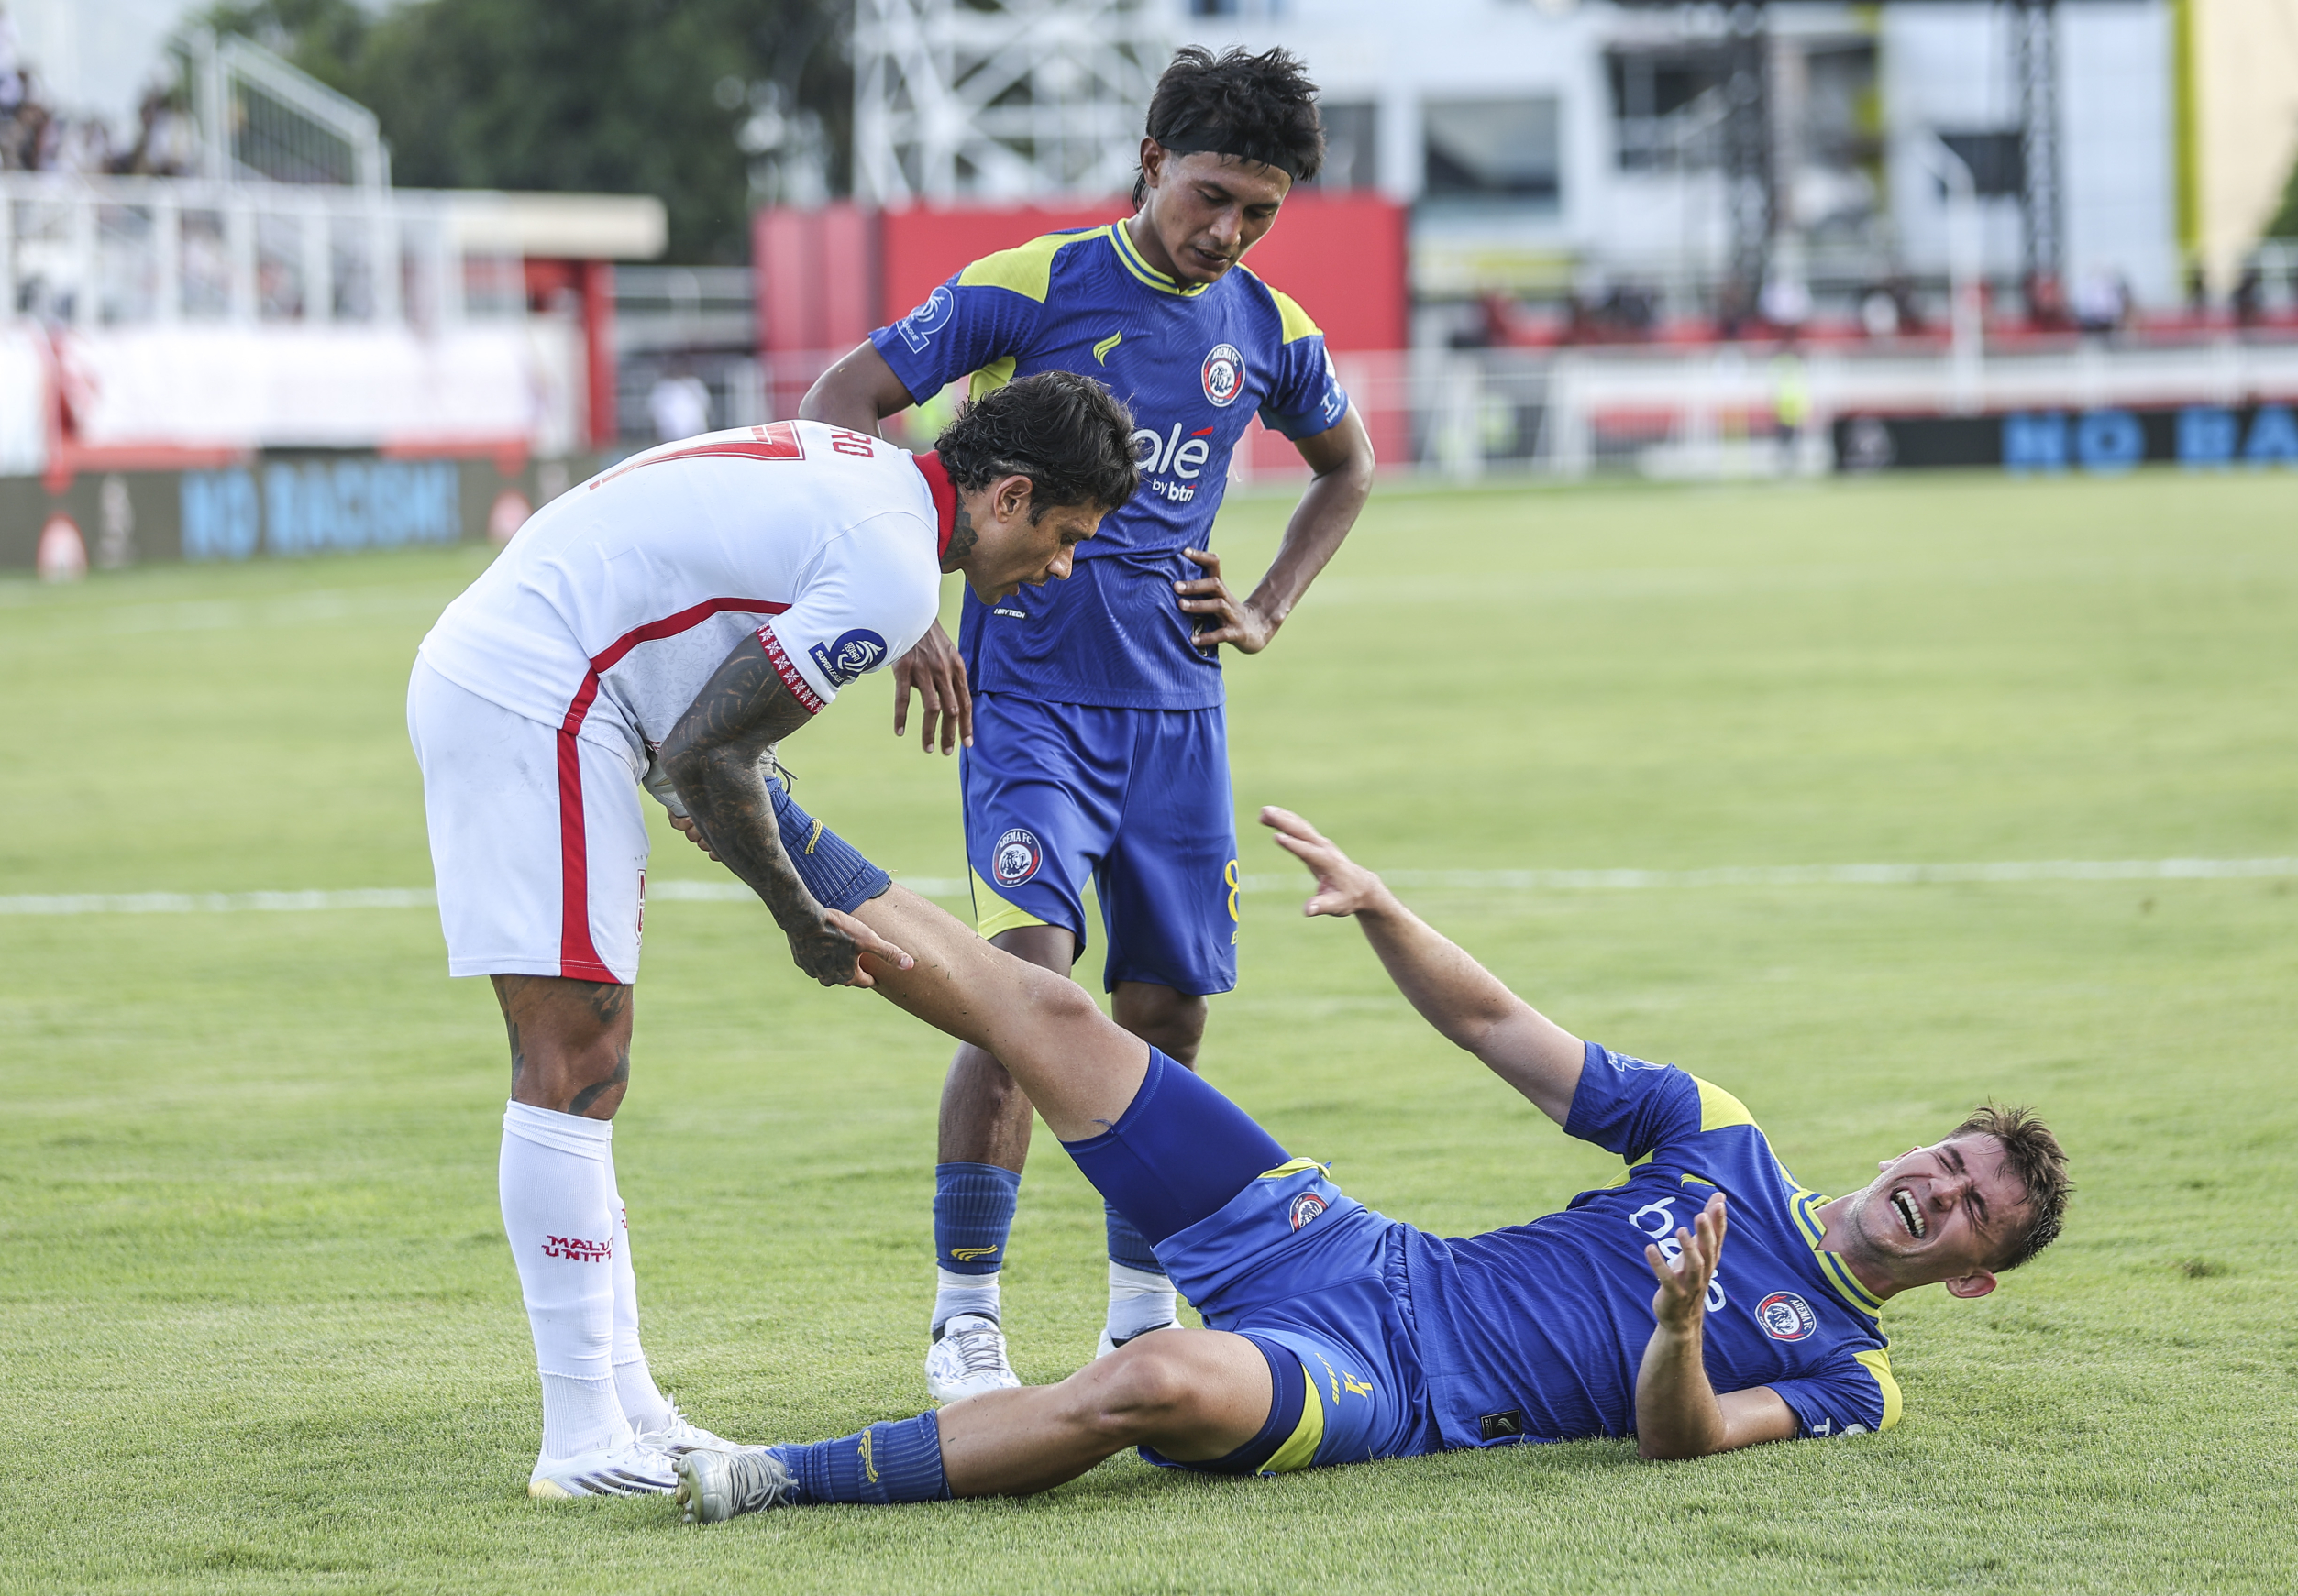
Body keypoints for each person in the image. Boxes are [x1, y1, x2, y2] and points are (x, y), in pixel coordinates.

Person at [668, 805, 2072, 1519]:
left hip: (1386, 1389)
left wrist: (1685, 1325)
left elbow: (1680, 1438)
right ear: (1918, 1142)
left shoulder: (1850, 1376)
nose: (1936, 1193)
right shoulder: (1719, 1130)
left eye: (1968, 1216)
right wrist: (1388, 908)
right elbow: (1495, 1025)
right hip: (1343, 1249)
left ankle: (776, 1476)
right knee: (1048, 1013)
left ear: (1970, 1280)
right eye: (1949, 1162)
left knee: (1152, 1380)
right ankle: (756, 812)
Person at [404, 372, 1138, 1499]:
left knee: (595, 1073)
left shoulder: (867, 483)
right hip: (538, 697)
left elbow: (696, 714)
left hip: (558, 689)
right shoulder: (896, 570)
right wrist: (801, 918)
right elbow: (709, 755)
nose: (1060, 565)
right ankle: (580, 1440)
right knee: (572, 1063)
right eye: (1064, 535)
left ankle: (629, 1408)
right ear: (1009, 496)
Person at [799, 43, 1376, 1403]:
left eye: (1259, 212)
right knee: (1024, 991)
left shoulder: (1270, 329)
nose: (1227, 231)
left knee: (1163, 1013)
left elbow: (1345, 469)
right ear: (1152, 163)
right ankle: (965, 1316)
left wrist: (1273, 601)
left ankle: (1136, 1311)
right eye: (1213, 195)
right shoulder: (1038, 282)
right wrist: (905, 592)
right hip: (1034, 708)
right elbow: (841, 403)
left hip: (1179, 718)